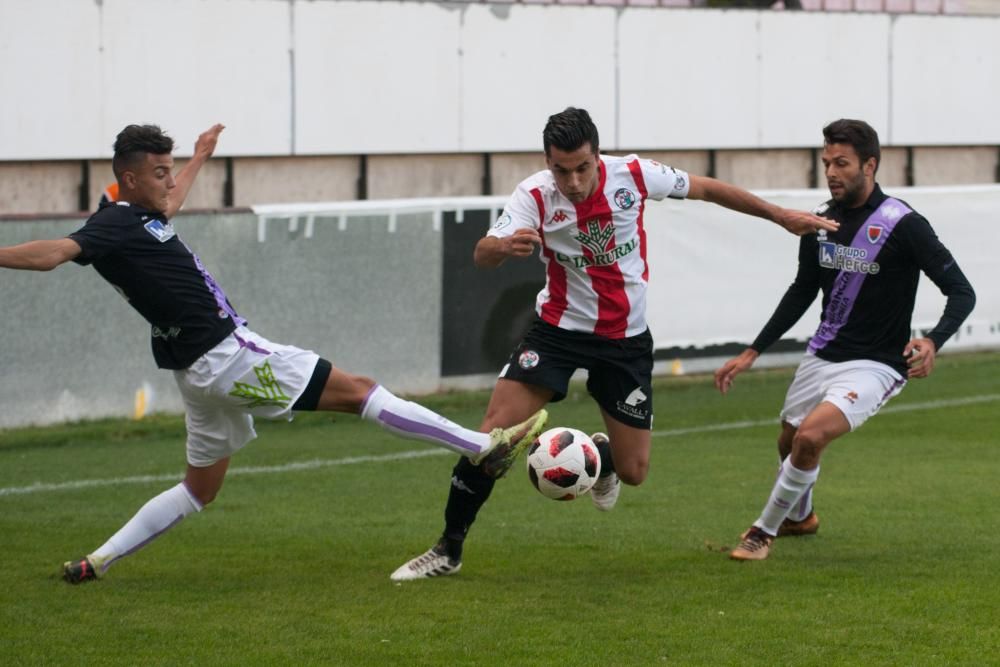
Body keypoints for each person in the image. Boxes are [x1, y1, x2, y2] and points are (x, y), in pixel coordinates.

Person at [0, 123, 547, 584]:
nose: (170, 181)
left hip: (195, 372)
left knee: (198, 490)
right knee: (359, 392)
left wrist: (200, 158)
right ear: (129, 179)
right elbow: (56, 252)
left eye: (171, 170)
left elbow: (171, 200)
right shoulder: (112, 223)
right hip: (228, 356)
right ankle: (482, 446)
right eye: (160, 172)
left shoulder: (144, 215)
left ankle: (96, 562)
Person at [390, 107, 839, 581]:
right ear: (548, 162)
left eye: (583, 167)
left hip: (624, 342)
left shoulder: (634, 175)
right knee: (492, 441)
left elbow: (707, 187)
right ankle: (447, 549)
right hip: (556, 333)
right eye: (562, 170)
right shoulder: (535, 196)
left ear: (597, 155)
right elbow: (483, 254)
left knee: (634, 471)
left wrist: (778, 215)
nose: (574, 181)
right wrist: (502, 248)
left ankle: (600, 456)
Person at [715, 118, 976, 561]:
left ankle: (763, 532)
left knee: (810, 439)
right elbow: (802, 290)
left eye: (842, 163)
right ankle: (802, 517)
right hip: (822, 354)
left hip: (877, 363)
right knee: (789, 442)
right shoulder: (821, 222)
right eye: (826, 163)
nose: (832, 172)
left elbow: (961, 291)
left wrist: (933, 340)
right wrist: (753, 350)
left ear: (869, 165)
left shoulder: (903, 223)